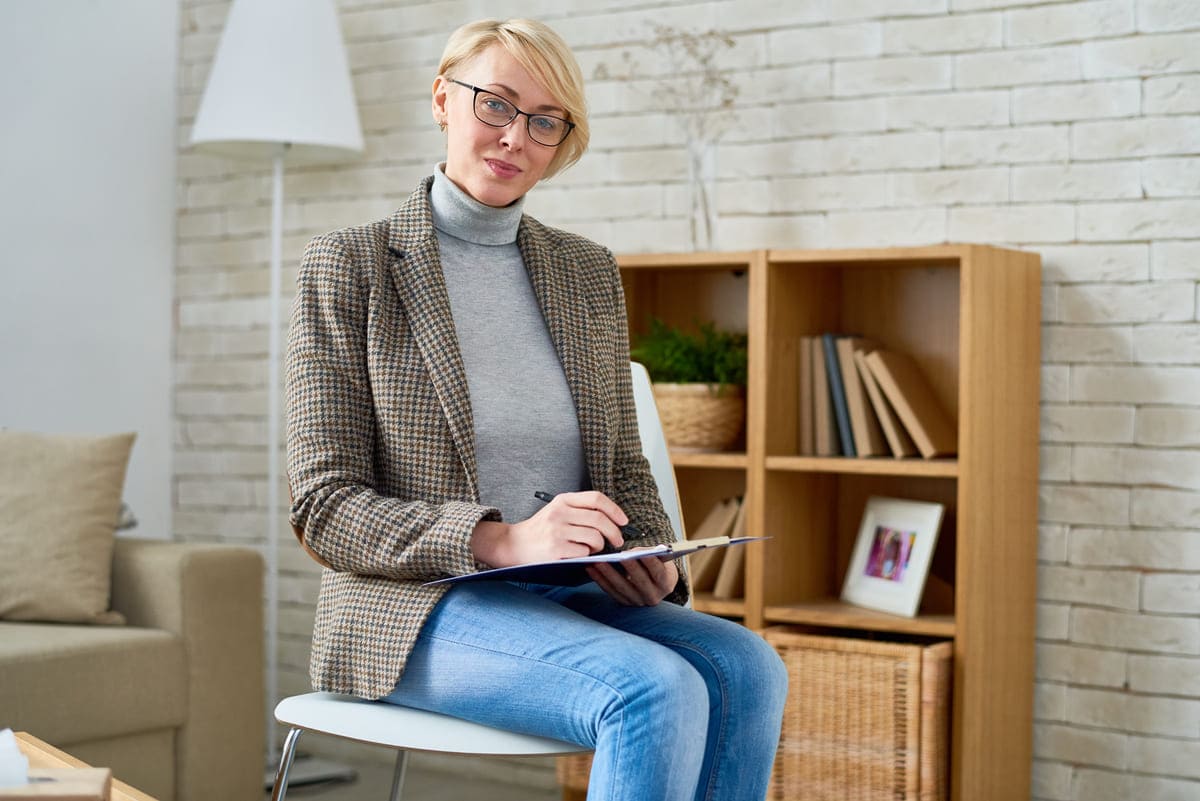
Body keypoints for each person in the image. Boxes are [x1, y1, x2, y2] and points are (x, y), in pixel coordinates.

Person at [286, 18, 787, 801]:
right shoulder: (351, 266)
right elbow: (324, 506)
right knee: (653, 688)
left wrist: (644, 556)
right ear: (443, 99)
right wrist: (501, 539)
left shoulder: (585, 272)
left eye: (544, 121)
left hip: (567, 595)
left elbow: (622, 464)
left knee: (749, 668)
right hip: (413, 607)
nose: (515, 136)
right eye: (496, 104)